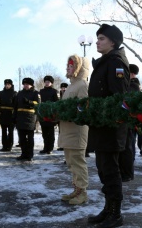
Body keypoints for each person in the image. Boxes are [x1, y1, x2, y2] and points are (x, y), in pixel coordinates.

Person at [87, 24, 130, 228]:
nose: (97, 41)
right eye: (97, 38)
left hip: (111, 127)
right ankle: (108, 208)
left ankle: (116, 213)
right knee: (103, 169)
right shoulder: (105, 62)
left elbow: (118, 97)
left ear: (113, 42)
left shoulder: (116, 62)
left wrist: (106, 117)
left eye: (102, 38)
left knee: (111, 170)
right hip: (100, 125)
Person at [58, 54, 90, 205]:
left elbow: (83, 109)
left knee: (77, 162)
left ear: (78, 68)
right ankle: (76, 188)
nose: (67, 68)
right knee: (71, 162)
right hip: (67, 130)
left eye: (71, 66)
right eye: (68, 65)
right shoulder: (71, 85)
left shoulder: (82, 85)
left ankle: (82, 192)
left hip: (76, 131)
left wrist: (67, 113)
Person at [118, 64, 141, 182]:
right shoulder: (130, 84)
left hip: (129, 122)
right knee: (125, 147)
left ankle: (127, 173)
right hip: (126, 121)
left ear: (131, 73)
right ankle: (124, 172)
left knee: (128, 147)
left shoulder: (134, 85)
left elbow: (127, 99)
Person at [14, 77, 40, 161]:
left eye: (27, 84)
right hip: (20, 117)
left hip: (30, 117)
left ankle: (29, 155)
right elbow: (16, 105)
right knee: (21, 138)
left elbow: (38, 104)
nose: (25, 86)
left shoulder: (35, 93)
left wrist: (29, 102)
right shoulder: (20, 93)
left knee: (29, 138)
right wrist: (14, 116)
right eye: (24, 84)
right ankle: (23, 154)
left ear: (31, 85)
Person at [39, 75, 59, 154]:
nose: (47, 83)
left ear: (51, 83)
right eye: (46, 82)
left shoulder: (54, 91)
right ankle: (45, 147)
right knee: (44, 132)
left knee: (50, 132)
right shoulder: (41, 91)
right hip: (43, 114)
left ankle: (50, 148)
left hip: (51, 114)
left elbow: (57, 102)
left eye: (49, 82)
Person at [0, 79, 17, 152]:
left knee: (10, 131)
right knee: (3, 131)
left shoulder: (14, 93)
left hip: (10, 114)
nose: (7, 85)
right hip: (3, 113)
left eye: (8, 84)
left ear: (11, 85)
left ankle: (9, 145)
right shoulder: (1, 93)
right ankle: (4, 145)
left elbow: (16, 105)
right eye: (6, 84)